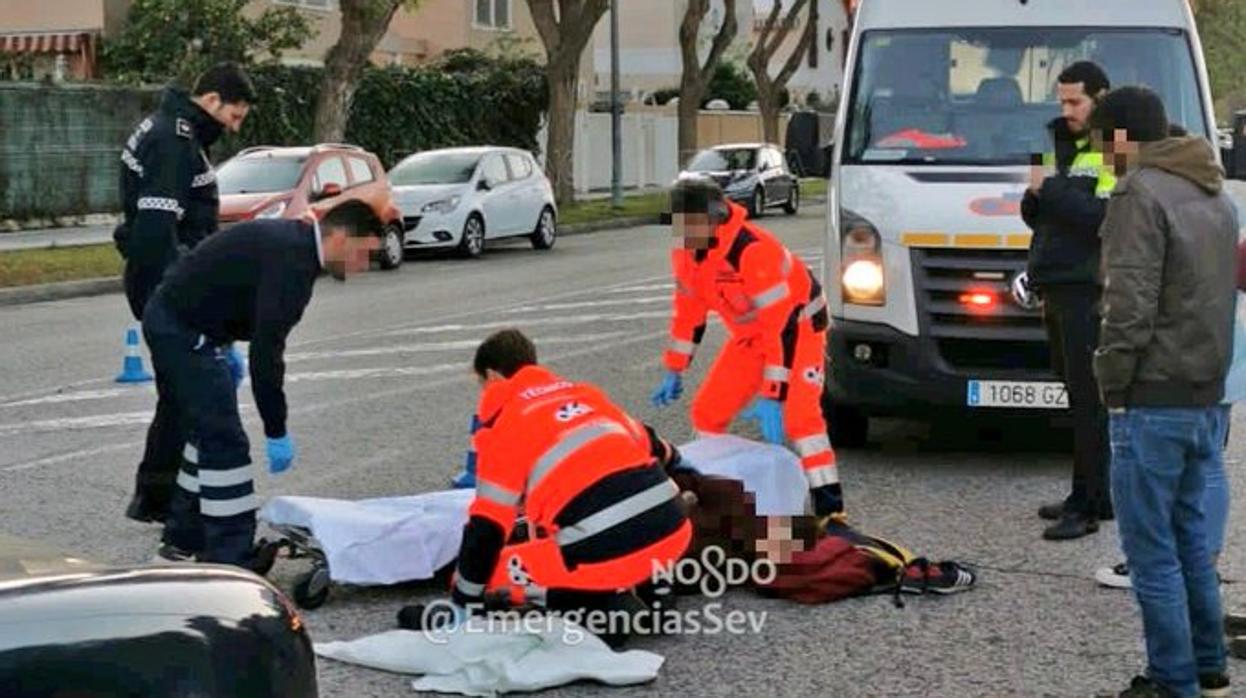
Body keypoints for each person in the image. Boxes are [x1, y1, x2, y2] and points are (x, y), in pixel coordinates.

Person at [398, 329, 693, 645]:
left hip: (603, 548)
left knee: (494, 570)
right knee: (615, 514)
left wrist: (462, 601)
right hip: (672, 530)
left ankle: (601, 606)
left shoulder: (502, 424)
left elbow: (488, 527)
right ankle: (653, 587)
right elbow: (656, 446)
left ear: (494, 377)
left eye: (481, 383)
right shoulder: (585, 395)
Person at [1091, 86, 1237, 698]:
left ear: (1122, 138)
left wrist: (1111, 380)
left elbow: (1128, 304)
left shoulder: (1139, 194)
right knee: (1190, 542)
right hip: (1204, 391)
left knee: (1151, 553)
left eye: (1101, 144)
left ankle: (1171, 680)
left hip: (1152, 396)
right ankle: (1209, 667)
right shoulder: (1213, 193)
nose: (1100, 157)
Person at [147, 203, 379, 570]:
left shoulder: (295, 245)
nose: (363, 266)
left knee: (207, 434)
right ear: (339, 237)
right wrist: (276, 429)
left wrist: (224, 343)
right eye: (364, 253)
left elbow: (234, 288)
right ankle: (231, 558)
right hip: (183, 329)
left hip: (186, 323)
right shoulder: (294, 263)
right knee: (227, 443)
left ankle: (181, 540)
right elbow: (267, 353)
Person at [650, 175, 844, 522]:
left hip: (798, 329)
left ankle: (830, 508)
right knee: (708, 411)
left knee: (801, 420)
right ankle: (713, 498)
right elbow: (689, 313)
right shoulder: (685, 255)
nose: (684, 232)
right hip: (751, 337)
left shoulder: (752, 251)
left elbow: (781, 327)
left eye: (692, 222)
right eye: (679, 223)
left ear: (716, 218)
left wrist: (774, 392)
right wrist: (675, 367)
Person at [117, 62, 256, 524]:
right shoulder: (175, 142)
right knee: (190, 394)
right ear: (212, 101)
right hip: (170, 289)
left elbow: (139, 224)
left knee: (177, 394)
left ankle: (156, 496)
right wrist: (184, 303)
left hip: (165, 284)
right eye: (233, 117)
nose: (233, 128)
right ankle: (171, 502)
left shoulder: (172, 132)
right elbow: (157, 232)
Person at [1021, 60, 1115, 541]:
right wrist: (1033, 196)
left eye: (1076, 101)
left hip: (1087, 290)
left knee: (1088, 401)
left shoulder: (1115, 146)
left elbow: (1102, 217)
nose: (1067, 109)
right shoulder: (1060, 142)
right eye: (1062, 101)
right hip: (1055, 284)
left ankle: (1086, 506)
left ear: (1101, 97)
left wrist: (1050, 189)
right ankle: (1096, 493)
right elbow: (1040, 216)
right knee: (1077, 395)